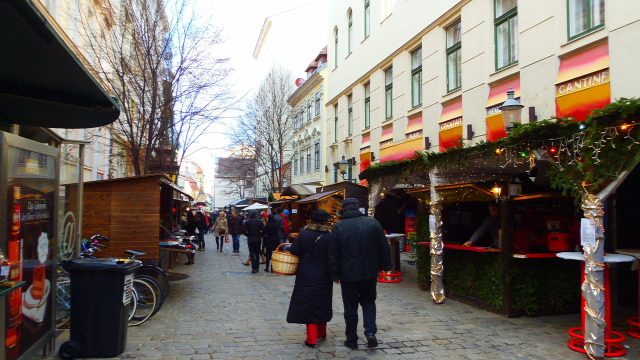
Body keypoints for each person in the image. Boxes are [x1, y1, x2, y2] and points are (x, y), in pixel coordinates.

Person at [329, 198, 392, 350]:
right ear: (358, 209)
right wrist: (386, 266)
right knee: (369, 302)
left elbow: (333, 254)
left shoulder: (339, 227)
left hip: (348, 274)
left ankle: (351, 339)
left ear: (343, 210)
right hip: (369, 272)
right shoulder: (372, 223)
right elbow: (384, 247)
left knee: (350, 307)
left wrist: (335, 274)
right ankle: (370, 332)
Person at [286, 209, 334, 348]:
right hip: (324, 274)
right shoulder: (330, 236)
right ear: (325, 221)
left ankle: (311, 339)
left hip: (306, 274)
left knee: (308, 304)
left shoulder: (304, 233)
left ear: (311, 220)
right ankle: (321, 332)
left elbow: (295, 250)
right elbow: (334, 256)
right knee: (322, 302)